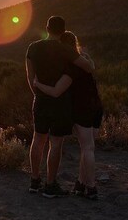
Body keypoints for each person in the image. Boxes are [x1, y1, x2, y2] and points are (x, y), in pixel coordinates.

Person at [25, 16, 94, 198]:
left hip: (40, 100)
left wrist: (37, 94)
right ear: (63, 31)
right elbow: (88, 67)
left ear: (47, 28)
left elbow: (30, 77)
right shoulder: (65, 50)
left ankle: (34, 180)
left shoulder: (33, 48)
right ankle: (50, 185)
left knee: (37, 139)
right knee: (56, 143)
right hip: (60, 103)